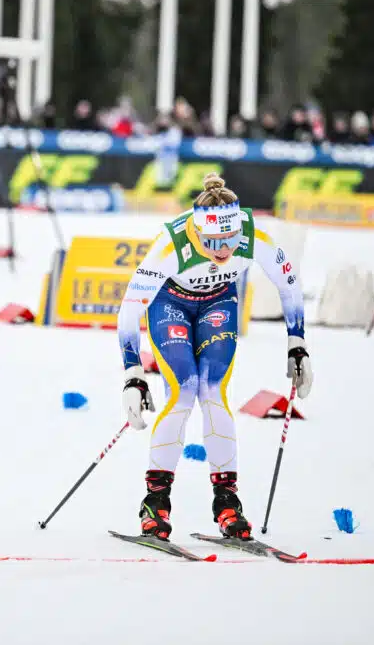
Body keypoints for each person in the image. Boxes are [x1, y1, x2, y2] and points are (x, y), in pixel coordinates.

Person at [116, 173, 312, 541]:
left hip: (218, 302)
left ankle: (227, 502)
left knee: (213, 391)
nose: (223, 250)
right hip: (170, 303)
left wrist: (296, 343)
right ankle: (155, 502)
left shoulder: (254, 234)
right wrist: (133, 374)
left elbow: (289, 285)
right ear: (195, 233)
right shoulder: (170, 246)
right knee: (184, 390)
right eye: (211, 242)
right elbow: (128, 312)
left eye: (230, 240)